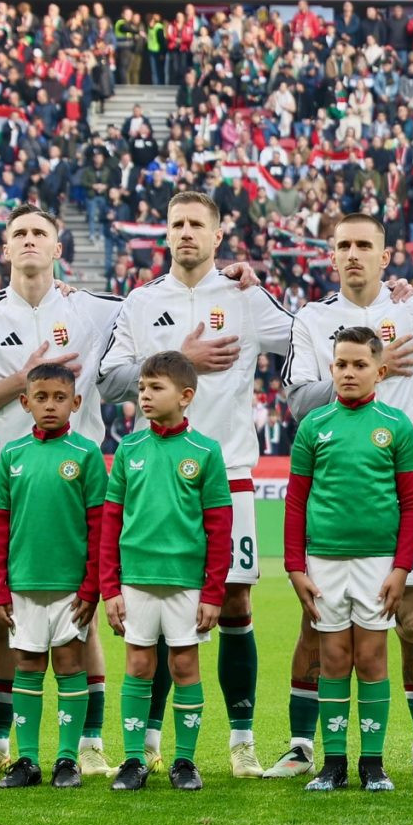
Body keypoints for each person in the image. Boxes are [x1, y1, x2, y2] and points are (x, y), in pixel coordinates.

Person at [98, 190, 294, 777]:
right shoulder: (142, 301)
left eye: (196, 224)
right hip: (156, 476)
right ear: (166, 234)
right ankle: (150, 742)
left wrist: (392, 301)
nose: (186, 232)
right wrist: (174, 357)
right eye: (177, 223)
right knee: (156, 605)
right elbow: (108, 380)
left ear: (217, 235)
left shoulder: (244, 297)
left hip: (229, 473)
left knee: (234, 602)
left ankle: (241, 741)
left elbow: (305, 336)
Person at [278, 211, 413, 780]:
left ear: (385, 257)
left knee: (410, 622)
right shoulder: (313, 318)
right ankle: (303, 745)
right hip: (334, 500)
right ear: (331, 255)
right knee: (315, 626)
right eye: (343, 245)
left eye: (365, 245)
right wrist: (366, 372)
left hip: (399, 497)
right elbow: (297, 400)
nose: (354, 254)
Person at [0, 202, 124, 779]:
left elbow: (160, 305)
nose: (29, 240)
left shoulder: (93, 309)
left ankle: (90, 743)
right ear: (5, 248)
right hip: (7, 480)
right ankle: (0, 743)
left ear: (57, 247)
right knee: (3, 619)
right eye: (19, 233)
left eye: (39, 233)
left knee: (83, 616)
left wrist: (234, 278)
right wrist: (19, 380)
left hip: (77, 480)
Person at [284, 325, 413, 793]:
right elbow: (296, 502)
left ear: (379, 371)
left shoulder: (397, 426)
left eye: (359, 364)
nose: (349, 372)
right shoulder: (313, 426)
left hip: (378, 562)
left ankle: (372, 763)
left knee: (370, 657)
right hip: (324, 562)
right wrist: (295, 567)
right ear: (331, 369)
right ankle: (333, 764)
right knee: (333, 658)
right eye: (341, 364)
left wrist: (401, 568)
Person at [97, 350, 234, 793]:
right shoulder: (129, 448)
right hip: (135, 580)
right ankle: (133, 760)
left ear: (185, 395)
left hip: (186, 583)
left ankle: (185, 762)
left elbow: (219, 528)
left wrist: (213, 593)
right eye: (142, 388)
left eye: (156, 388)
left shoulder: (205, 451)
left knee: (184, 664)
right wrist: (109, 587)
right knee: (138, 665)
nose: (145, 395)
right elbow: (111, 523)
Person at [0, 362, 107, 791]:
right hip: (23, 585)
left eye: (59, 398)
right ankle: (28, 760)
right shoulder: (12, 455)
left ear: (76, 402)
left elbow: (99, 528)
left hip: (71, 588)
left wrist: (91, 587)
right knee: (28, 665)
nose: (50, 405)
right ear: (25, 402)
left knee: (70, 664)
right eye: (41, 397)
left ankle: (67, 760)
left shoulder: (86, 454)